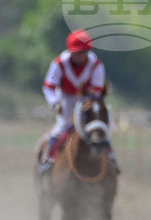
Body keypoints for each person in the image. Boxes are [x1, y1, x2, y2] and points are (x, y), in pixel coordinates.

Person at [40, 30, 109, 174]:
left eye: (83, 52)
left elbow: (96, 91)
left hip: (88, 100)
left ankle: (111, 160)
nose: (80, 56)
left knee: (101, 128)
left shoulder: (96, 64)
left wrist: (86, 106)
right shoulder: (59, 63)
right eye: (77, 52)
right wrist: (55, 103)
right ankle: (49, 159)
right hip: (66, 98)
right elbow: (48, 87)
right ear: (70, 51)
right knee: (63, 127)